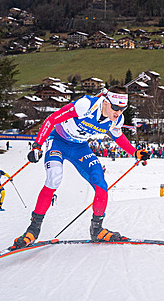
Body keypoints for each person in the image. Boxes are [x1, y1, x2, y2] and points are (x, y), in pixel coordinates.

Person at [10, 85, 149, 250]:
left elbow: (118, 137)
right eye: (116, 107)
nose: (118, 112)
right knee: (54, 178)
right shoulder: (86, 105)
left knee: (100, 182)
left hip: (80, 149)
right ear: (106, 102)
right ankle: (33, 230)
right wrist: (37, 145)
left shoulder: (117, 120)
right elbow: (52, 119)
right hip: (58, 142)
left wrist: (135, 152)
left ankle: (97, 229)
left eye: (122, 109)